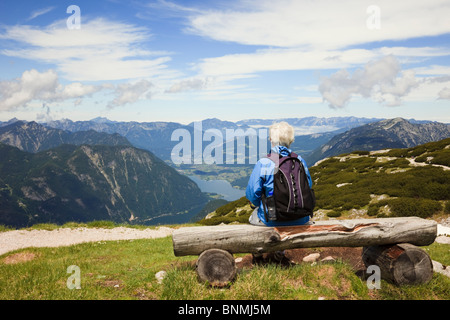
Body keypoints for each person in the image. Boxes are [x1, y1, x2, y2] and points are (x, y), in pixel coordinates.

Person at [245, 121, 314, 264]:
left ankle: (258, 255)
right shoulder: (300, 160)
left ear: (271, 140)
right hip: (301, 218)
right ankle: (279, 254)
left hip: (273, 218)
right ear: (291, 140)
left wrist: (260, 204)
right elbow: (309, 186)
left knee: (254, 216)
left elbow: (253, 195)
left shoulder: (264, 162)